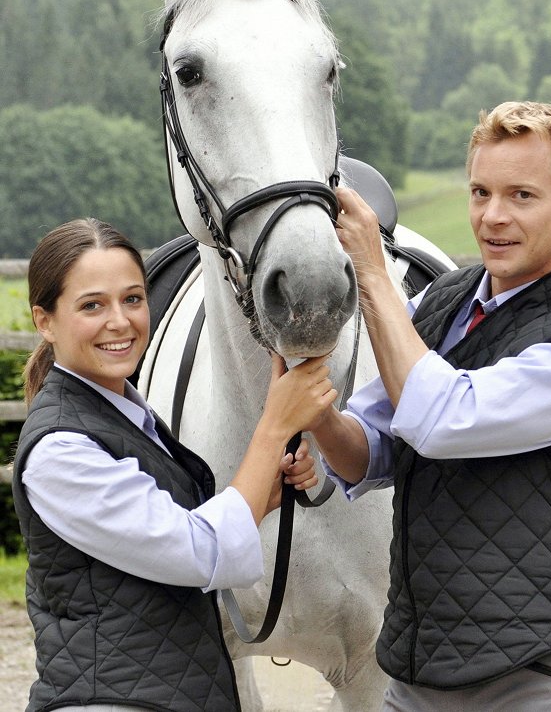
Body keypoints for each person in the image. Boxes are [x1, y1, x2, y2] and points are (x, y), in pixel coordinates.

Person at [310, 101, 551, 712]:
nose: (493, 217)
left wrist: (370, 270)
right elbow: (372, 448)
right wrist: (313, 409)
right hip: (418, 672)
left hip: (538, 679)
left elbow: (444, 419)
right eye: (480, 192)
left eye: (522, 195)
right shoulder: (443, 299)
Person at [12, 217, 337, 712]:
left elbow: (170, 536)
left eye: (133, 299)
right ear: (45, 321)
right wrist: (273, 427)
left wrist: (267, 494)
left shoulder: (124, 414)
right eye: (92, 305)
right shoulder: (61, 450)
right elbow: (201, 552)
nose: (120, 320)